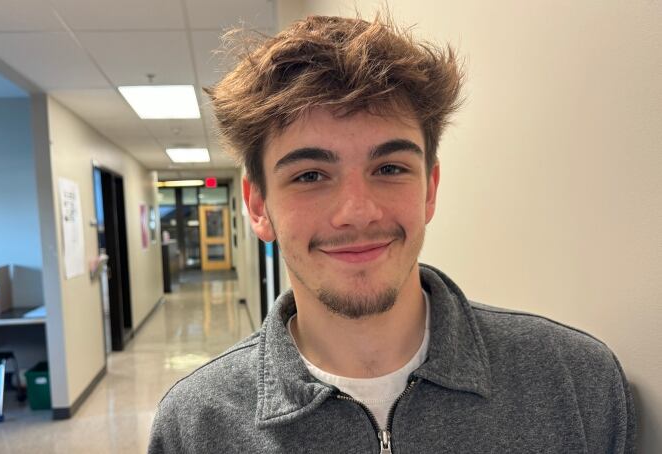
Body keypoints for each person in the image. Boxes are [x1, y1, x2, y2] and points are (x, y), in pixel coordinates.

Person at [148, 14, 636, 453]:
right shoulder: (197, 426)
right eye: (310, 175)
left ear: (430, 189)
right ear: (259, 206)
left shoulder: (575, 384)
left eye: (389, 167)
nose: (357, 212)